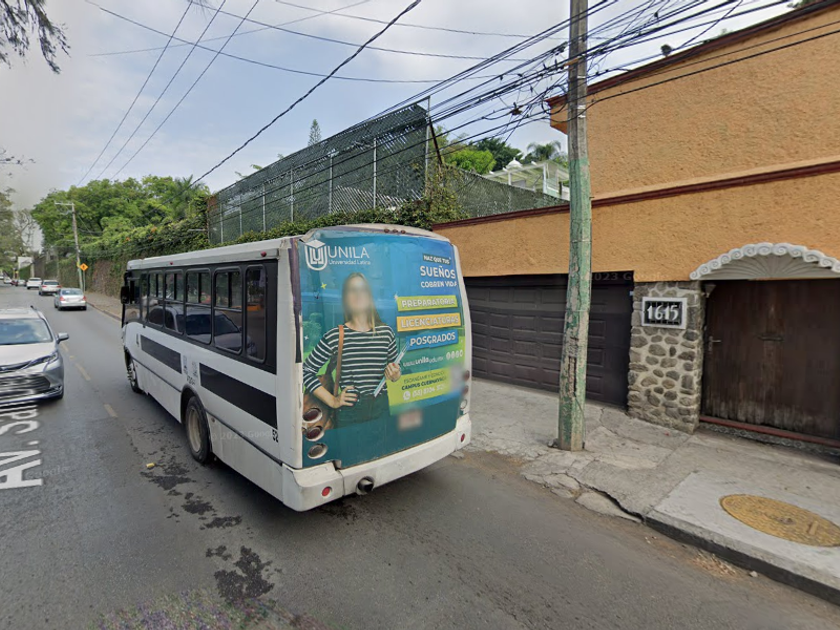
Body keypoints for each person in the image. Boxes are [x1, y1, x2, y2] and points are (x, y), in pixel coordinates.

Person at [303, 272, 400, 427]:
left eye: (362, 289)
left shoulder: (386, 333)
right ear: (345, 299)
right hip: (350, 412)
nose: (358, 294)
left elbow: (395, 372)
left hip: (381, 408)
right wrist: (332, 400)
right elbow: (306, 371)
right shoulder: (335, 336)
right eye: (352, 290)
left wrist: (395, 374)